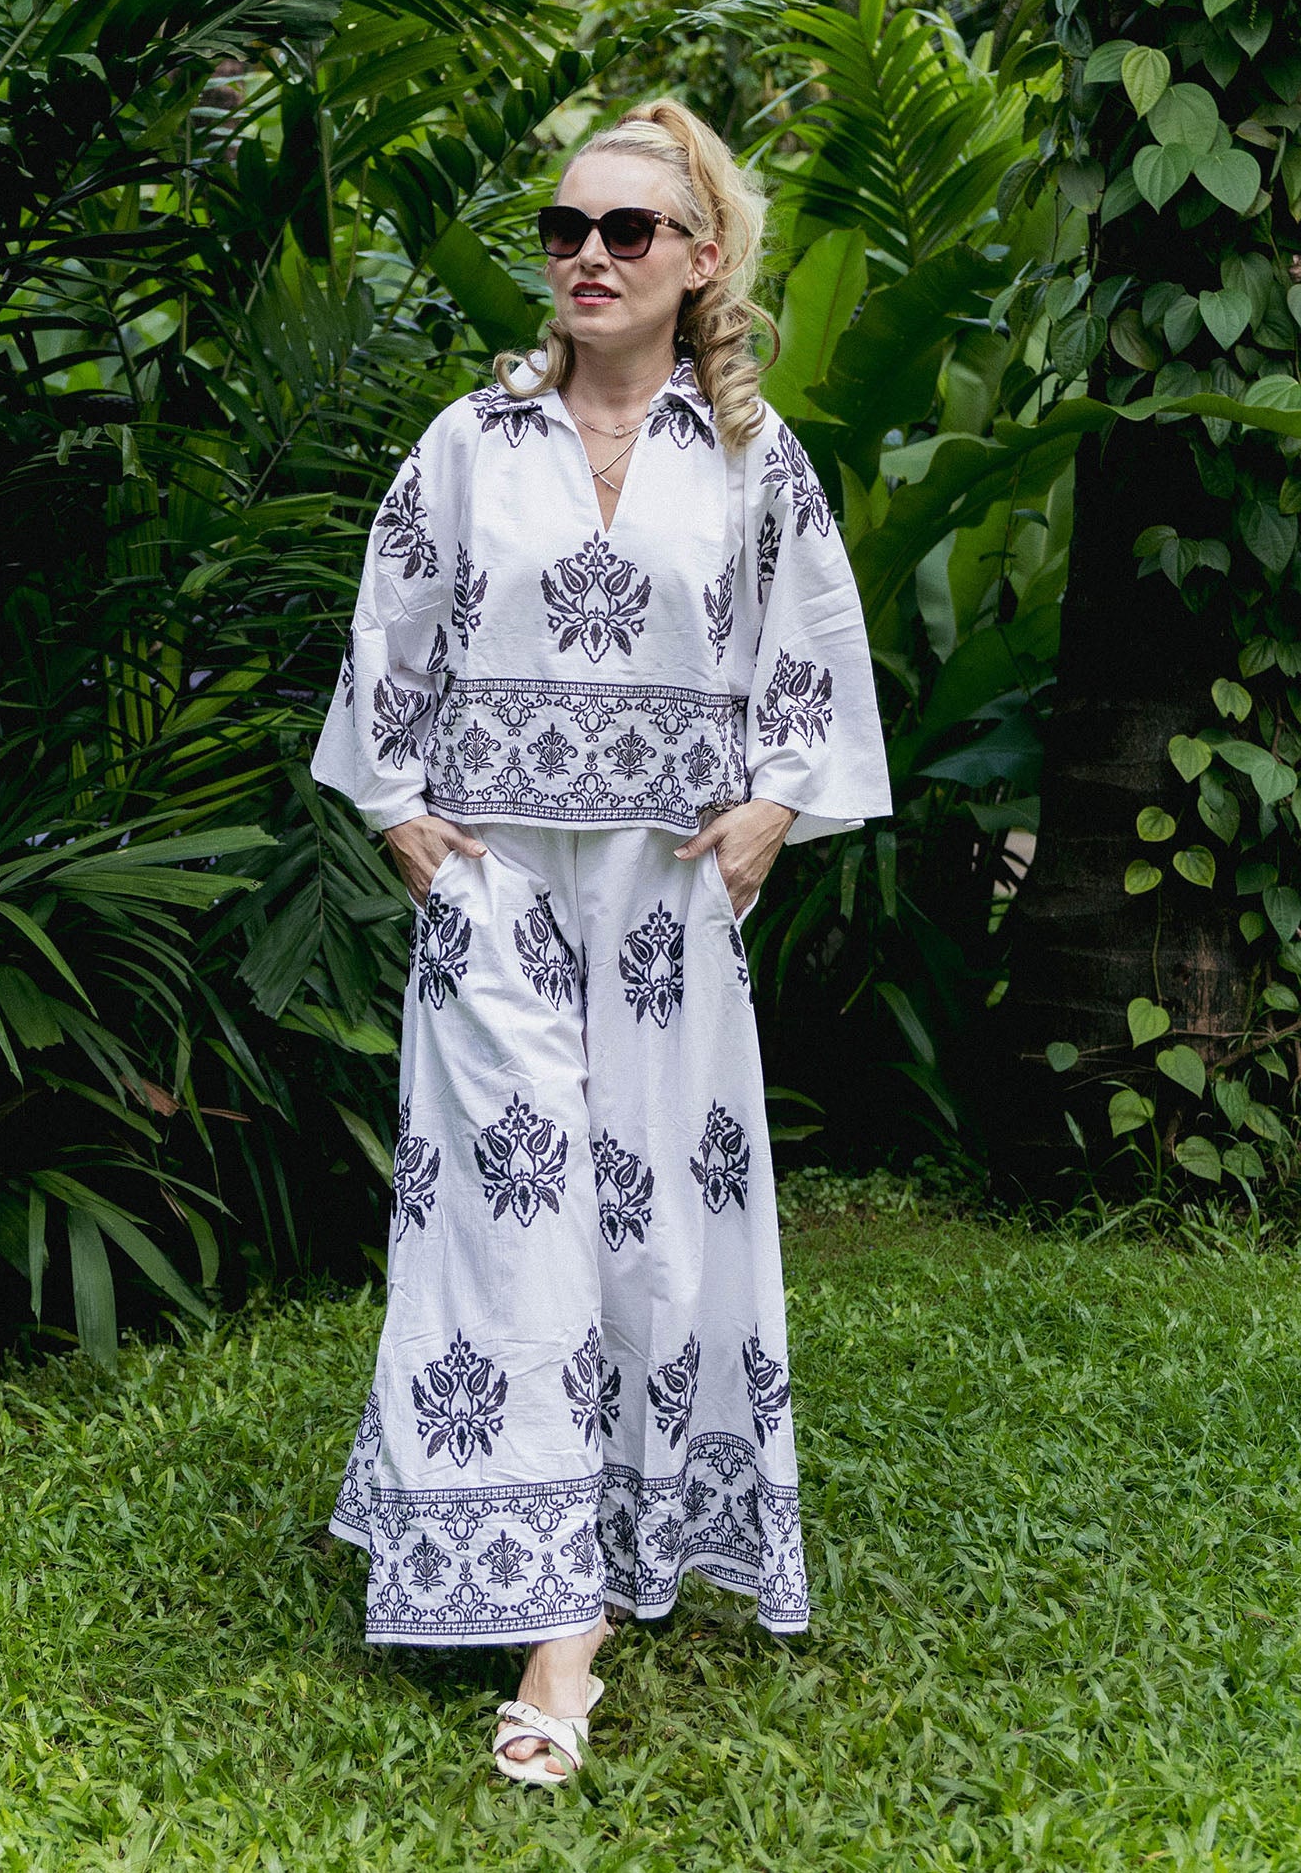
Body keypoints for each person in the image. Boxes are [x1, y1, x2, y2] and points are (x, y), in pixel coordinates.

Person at [311, 98, 891, 1783]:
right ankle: (555, 1626)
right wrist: (398, 814)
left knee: (650, 1222)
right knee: (511, 1209)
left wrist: (772, 807)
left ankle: (612, 1542)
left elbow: (813, 643)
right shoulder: (471, 441)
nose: (586, 255)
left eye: (626, 231)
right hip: (496, 886)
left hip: (663, 901)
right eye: (565, 228)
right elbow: (389, 623)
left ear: (698, 262)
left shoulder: (751, 457)